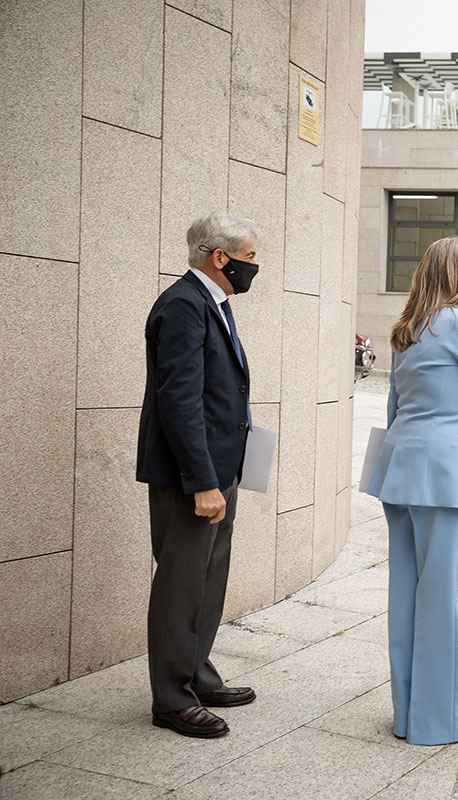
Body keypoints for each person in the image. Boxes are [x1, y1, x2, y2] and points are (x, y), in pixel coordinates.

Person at [366, 236, 458, 745]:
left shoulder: (405, 329)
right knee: (439, 598)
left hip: (397, 469)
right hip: (444, 475)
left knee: (406, 594)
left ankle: (408, 714)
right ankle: (436, 722)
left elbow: (393, 410)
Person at [136, 212, 262, 738]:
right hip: (194, 476)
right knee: (180, 586)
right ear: (221, 257)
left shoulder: (213, 304)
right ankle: (170, 697)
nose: (254, 268)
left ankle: (196, 674)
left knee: (208, 582)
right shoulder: (185, 306)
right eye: (250, 258)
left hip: (219, 468)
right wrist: (203, 482)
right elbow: (179, 402)